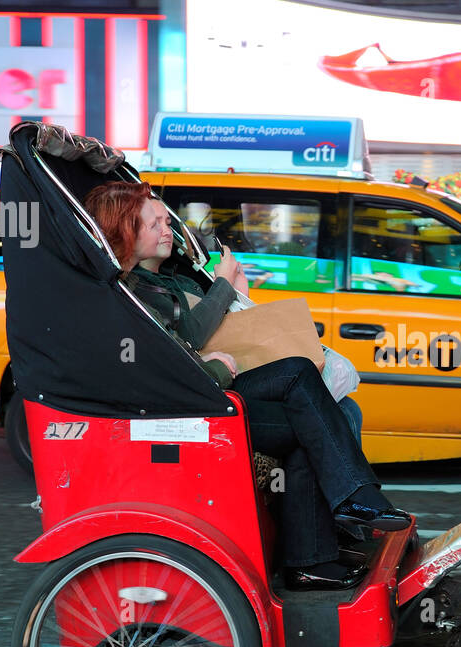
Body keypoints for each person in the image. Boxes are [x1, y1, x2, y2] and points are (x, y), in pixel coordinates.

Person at [84, 182, 407, 591]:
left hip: (216, 385)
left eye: (167, 221)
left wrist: (231, 295)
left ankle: (328, 537)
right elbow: (187, 341)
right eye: (155, 224)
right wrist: (221, 292)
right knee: (303, 393)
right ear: (125, 232)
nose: (168, 230)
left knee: (324, 396)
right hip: (196, 401)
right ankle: (345, 511)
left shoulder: (167, 276)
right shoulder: (132, 294)